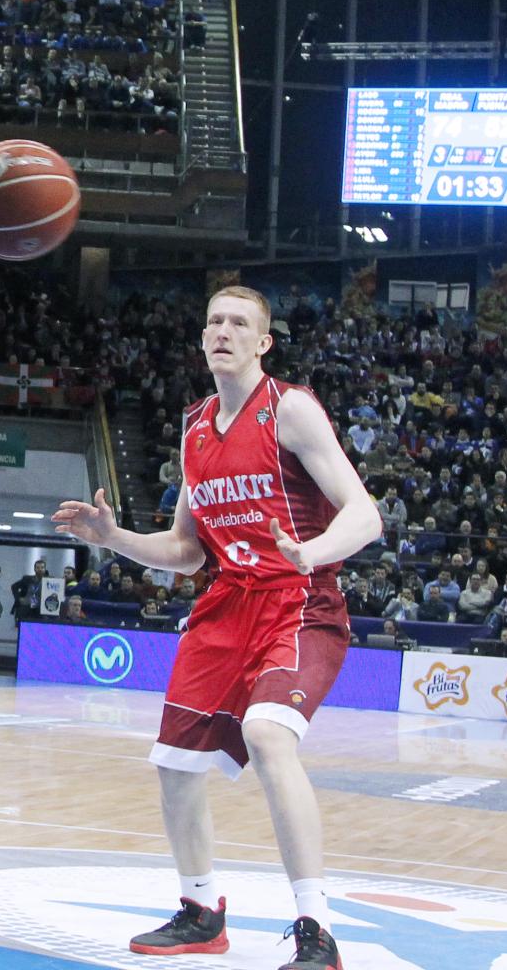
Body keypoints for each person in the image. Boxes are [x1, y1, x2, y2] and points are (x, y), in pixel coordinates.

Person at [54, 286, 380, 970]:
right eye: (214, 321)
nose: (224, 331)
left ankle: (316, 929)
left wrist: (310, 551)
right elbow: (185, 552)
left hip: (299, 597)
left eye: (240, 323)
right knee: (174, 764)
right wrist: (112, 536)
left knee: (267, 735)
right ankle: (201, 911)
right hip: (227, 603)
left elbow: (364, 514)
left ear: (264, 343)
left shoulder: (290, 409)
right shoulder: (195, 426)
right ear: (203, 340)